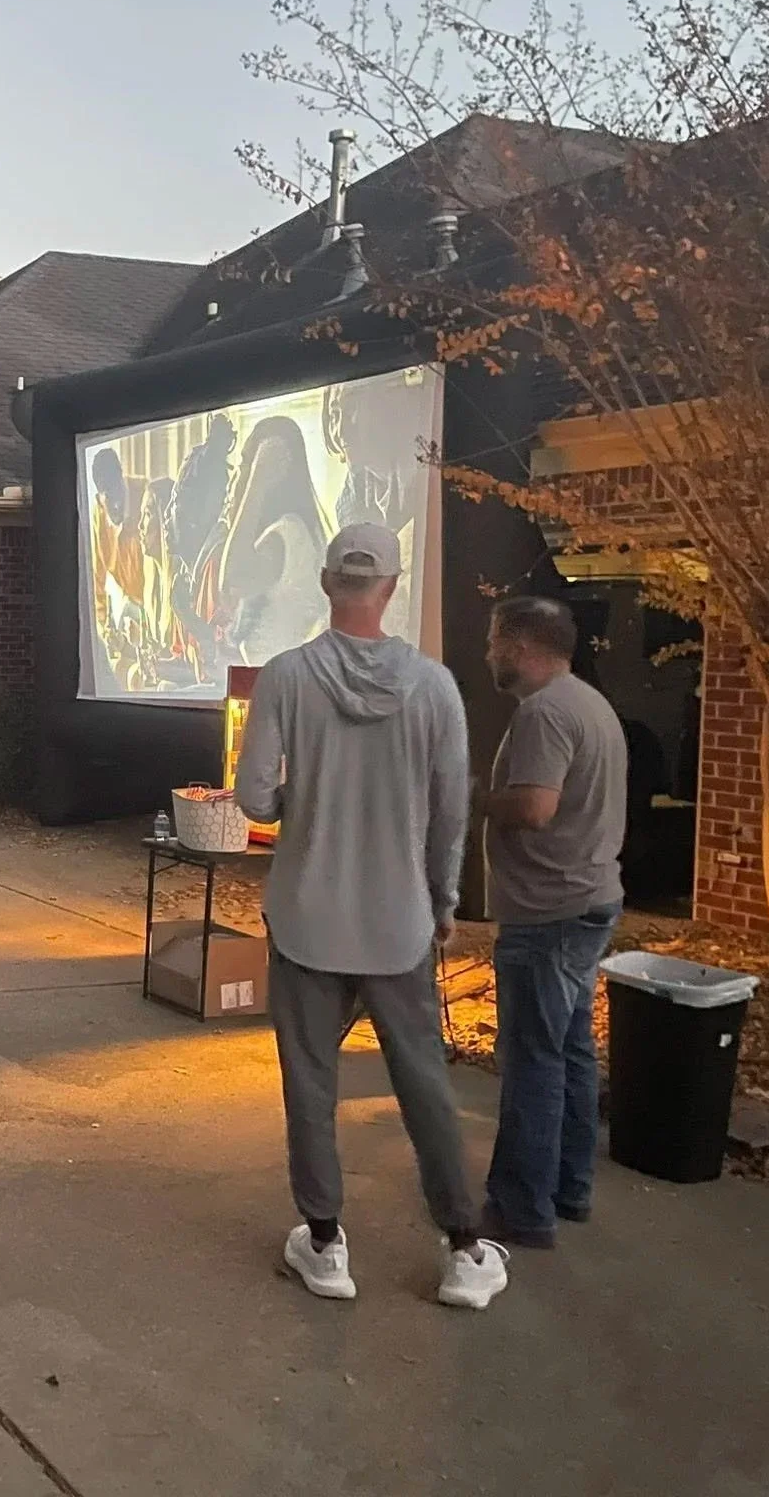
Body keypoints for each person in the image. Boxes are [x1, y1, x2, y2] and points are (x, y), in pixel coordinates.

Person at [235, 523, 508, 1309]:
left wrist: (295, 803)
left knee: (309, 1081)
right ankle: (463, 1247)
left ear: (327, 583)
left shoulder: (287, 677)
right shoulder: (435, 687)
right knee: (423, 1083)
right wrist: (443, 900)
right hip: (398, 924)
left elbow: (253, 798)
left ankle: (325, 1245)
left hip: (307, 918)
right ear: (391, 588)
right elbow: (450, 811)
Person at [479, 595, 627, 1248]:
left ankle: (522, 1209)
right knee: (569, 1051)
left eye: (494, 641)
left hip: (549, 915)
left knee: (533, 1061)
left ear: (520, 645)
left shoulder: (544, 712)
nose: (488, 653)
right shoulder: (590, 704)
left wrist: (474, 798)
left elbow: (536, 808)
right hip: (586, 902)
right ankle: (570, 1188)